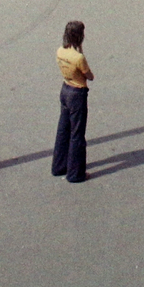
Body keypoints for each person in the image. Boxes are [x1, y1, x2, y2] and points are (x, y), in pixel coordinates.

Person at [50, 20, 93, 184]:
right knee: (77, 134)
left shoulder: (60, 51)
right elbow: (89, 75)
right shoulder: (79, 57)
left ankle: (59, 165)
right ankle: (75, 173)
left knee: (63, 129)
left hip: (65, 89)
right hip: (77, 93)